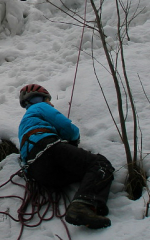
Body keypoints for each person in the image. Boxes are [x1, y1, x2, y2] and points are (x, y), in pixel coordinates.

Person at [18, 84, 114, 229]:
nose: (49, 103)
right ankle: (83, 206)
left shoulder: (24, 124)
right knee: (99, 164)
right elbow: (68, 129)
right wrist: (74, 141)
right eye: (46, 99)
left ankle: (87, 208)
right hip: (49, 149)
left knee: (85, 172)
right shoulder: (40, 107)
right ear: (40, 99)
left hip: (38, 172)